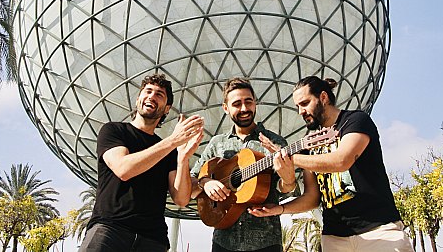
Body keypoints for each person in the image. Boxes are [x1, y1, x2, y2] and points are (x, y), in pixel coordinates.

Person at [249, 76, 414, 252]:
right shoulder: (308, 143)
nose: (300, 111)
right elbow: (312, 198)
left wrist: (289, 158)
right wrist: (279, 209)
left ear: (323, 97)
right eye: (297, 106)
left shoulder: (355, 121)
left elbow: (342, 160)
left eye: (304, 103)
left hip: (378, 231)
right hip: (334, 238)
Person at [78, 73, 204, 252]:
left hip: (152, 239)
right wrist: (172, 141)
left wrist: (183, 158)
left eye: (159, 94)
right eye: (148, 91)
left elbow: (181, 199)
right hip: (110, 231)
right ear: (138, 99)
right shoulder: (114, 131)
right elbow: (123, 169)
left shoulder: (169, 151)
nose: (152, 96)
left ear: (167, 108)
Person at [190, 77, 296, 252]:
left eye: (248, 102)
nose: (244, 108)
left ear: (255, 103)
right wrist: (205, 182)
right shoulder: (217, 144)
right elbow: (192, 184)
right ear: (226, 108)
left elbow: (285, 187)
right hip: (223, 241)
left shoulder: (274, 142)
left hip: (266, 242)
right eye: (237, 104)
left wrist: (289, 178)